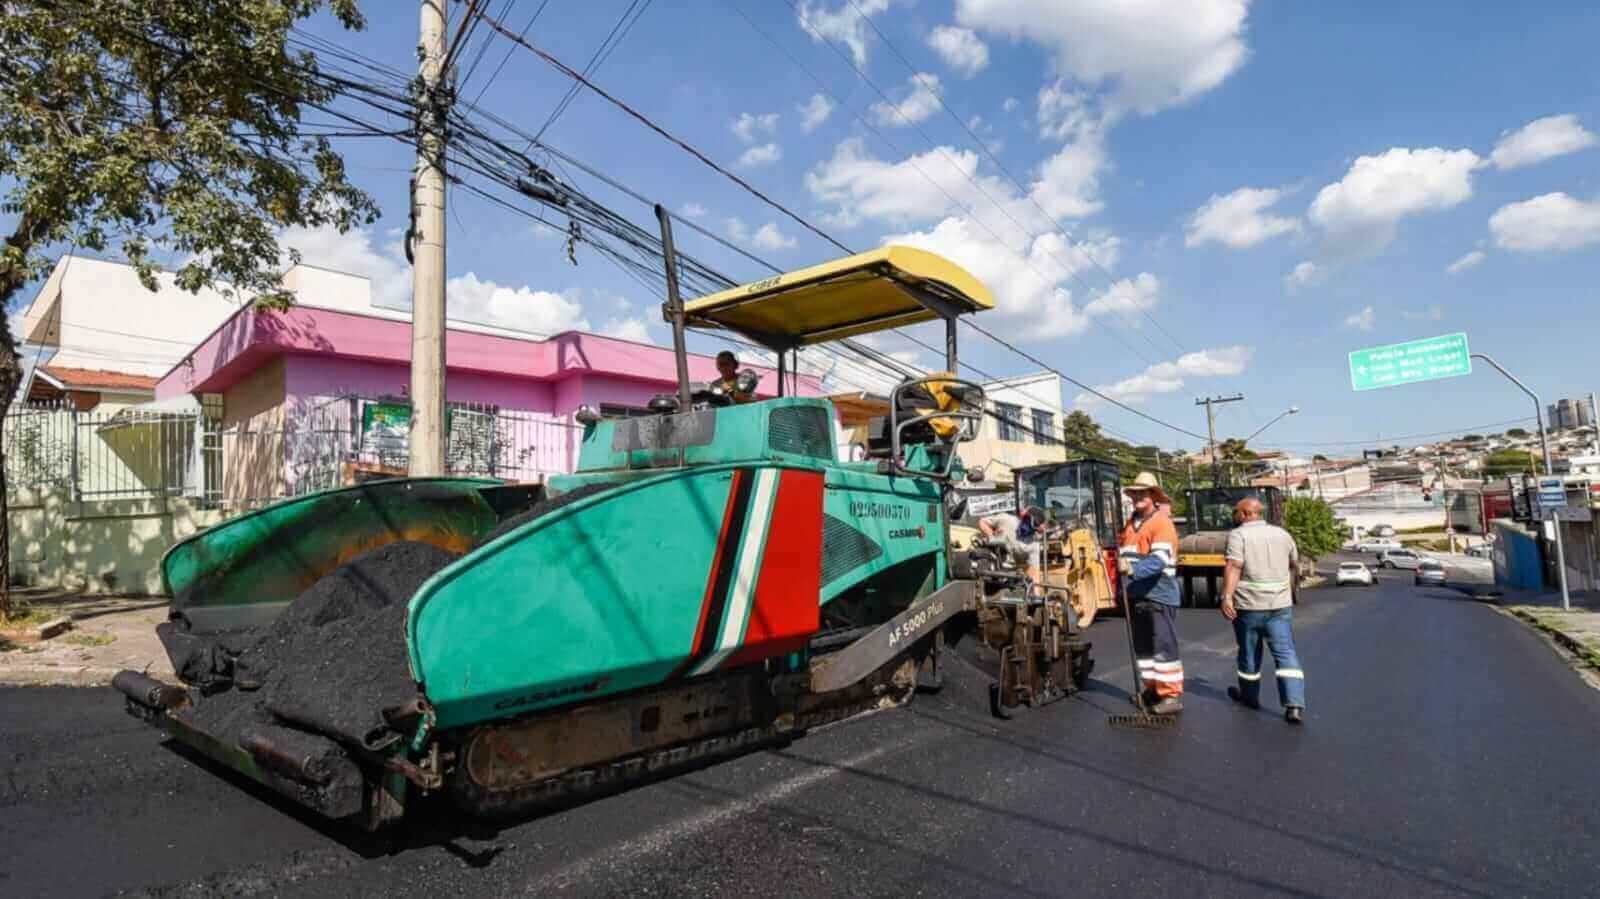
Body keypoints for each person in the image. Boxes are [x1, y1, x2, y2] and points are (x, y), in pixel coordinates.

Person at [1221, 497, 1306, 724]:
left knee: (1249, 653)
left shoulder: (1239, 535)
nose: (1234, 515)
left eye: (1236, 511)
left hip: (1249, 606)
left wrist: (1227, 596)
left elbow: (1234, 566)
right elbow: (1294, 564)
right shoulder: (1283, 534)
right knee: (1285, 653)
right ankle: (1294, 704)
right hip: (1280, 605)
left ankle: (1250, 697)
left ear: (1246, 513)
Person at [1118, 472, 1184, 714]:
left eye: (1141, 493)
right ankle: (1152, 688)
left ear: (1153, 496)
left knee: (1163, 645)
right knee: (1144, 648)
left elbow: (1159, 559)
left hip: (1159, 593)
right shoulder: (1131, 523)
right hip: (1136, 594)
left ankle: (1170, 695)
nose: (1136, 497)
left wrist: (1133, 569)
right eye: (1134, 493)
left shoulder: (1161, 523)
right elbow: (1125, 554)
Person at [978, 505, 1045, 586]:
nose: (1027, 526)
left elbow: (1034, 573)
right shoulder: (1006, 520)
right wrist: (991, 537)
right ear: (1022, 516)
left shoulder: (1033, 544)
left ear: (1037, 529)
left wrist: (1035, 594)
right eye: (1027, 520)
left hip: (1007, 573)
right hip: (985, 563)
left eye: (1033, 525)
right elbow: (983, 522)